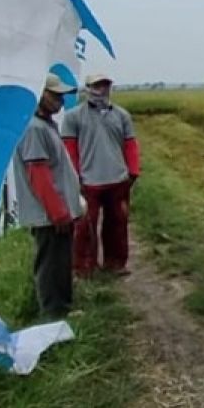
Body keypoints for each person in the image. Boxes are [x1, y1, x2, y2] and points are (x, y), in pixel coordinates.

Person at [11, 74, 83, 317]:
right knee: (51, 264)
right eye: (55, 95)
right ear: (39, 94)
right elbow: (39, 175)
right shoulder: (33, 128)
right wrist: (58, 212)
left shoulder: (46, 124)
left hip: (57, 212)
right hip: (49, 215)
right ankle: (54, 313)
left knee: (60, 261)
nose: (60, 100)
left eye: (62, 95)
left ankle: (63, 306)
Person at [62, 72, 140, 277]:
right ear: (87, 88)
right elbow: (69, 149)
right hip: (88, 181)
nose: (102, 90)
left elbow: (130, 144)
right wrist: (74, 176)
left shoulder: (121, 115)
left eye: (105, 85)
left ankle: (115, 264)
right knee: (85, 226)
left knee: (117, 224)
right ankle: (85, 268)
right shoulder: (73, 117)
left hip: (118, 178)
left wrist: (133, 171)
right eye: (97, 86)